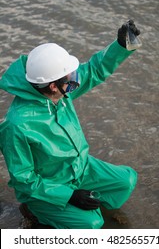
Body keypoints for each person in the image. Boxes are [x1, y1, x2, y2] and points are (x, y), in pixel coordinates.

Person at [0, 20, 140, 229]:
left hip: (80, 168)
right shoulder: (16, 125)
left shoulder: (60, 92)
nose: (76, 80)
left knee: (126, 180)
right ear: (54, 86)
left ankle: (82, 208)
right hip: (48, 186)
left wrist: (120, 46)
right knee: (92, 224)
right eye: (71, 79)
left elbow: (93, 71)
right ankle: (36, 211)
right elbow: (25, 181)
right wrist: (69, 196)